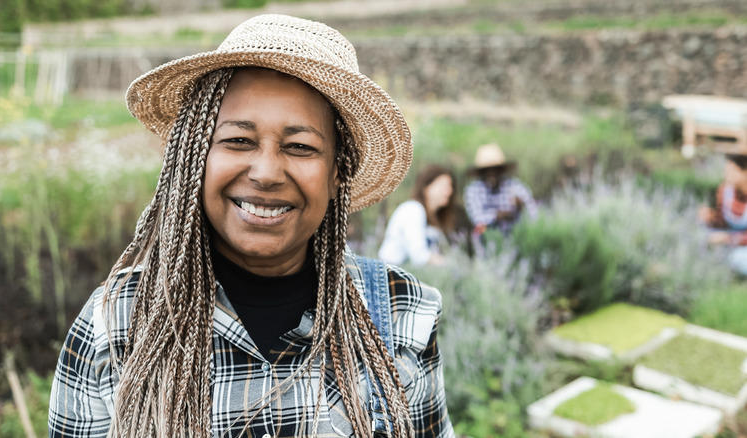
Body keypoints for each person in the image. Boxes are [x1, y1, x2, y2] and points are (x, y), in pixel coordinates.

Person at [48, 14, 454, 438]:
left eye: (300, 147)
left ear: (337, 173)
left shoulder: (401, 310)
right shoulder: (116, 324)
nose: (265, 173)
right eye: (238, 140)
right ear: (196, 160)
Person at [378, 165, 456, 266]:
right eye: (443, 186)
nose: (449, 191)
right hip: (391, 273)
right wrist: (449, 264)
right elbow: (419, 256)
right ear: (426, 187)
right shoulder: (413, 209)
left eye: (450, 186)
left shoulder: (433, 217)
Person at [464, 143, 537, 242]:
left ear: (501, 170)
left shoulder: (515, 186)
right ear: (481, 172)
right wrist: (497, 215)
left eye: (496, 169)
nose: (492, 173)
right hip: (486, 238)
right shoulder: (473, 190)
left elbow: (534, 214)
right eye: (487, 170)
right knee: (480, 230)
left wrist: (521, 207)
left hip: (514, 237)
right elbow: (477, 219)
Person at [699, 153, 747, 276]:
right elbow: (722, 223)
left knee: (740, 259)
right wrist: (711, 218)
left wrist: (729, 239)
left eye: (731, 171)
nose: (724, 176)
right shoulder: (724, 191)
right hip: (730, 240)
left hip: (739, 242)